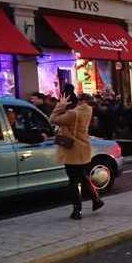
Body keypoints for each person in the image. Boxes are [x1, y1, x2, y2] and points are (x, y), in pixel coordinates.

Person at [50, 91, 104, 220]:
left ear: (79, 101)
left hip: (73, 149)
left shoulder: (72, 114)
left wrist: (60, 106)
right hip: (84, 148)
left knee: (73, 181)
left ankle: (77, 209)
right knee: (82, 176)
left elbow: (52, 119)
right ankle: (96, 200)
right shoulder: (88, 110)